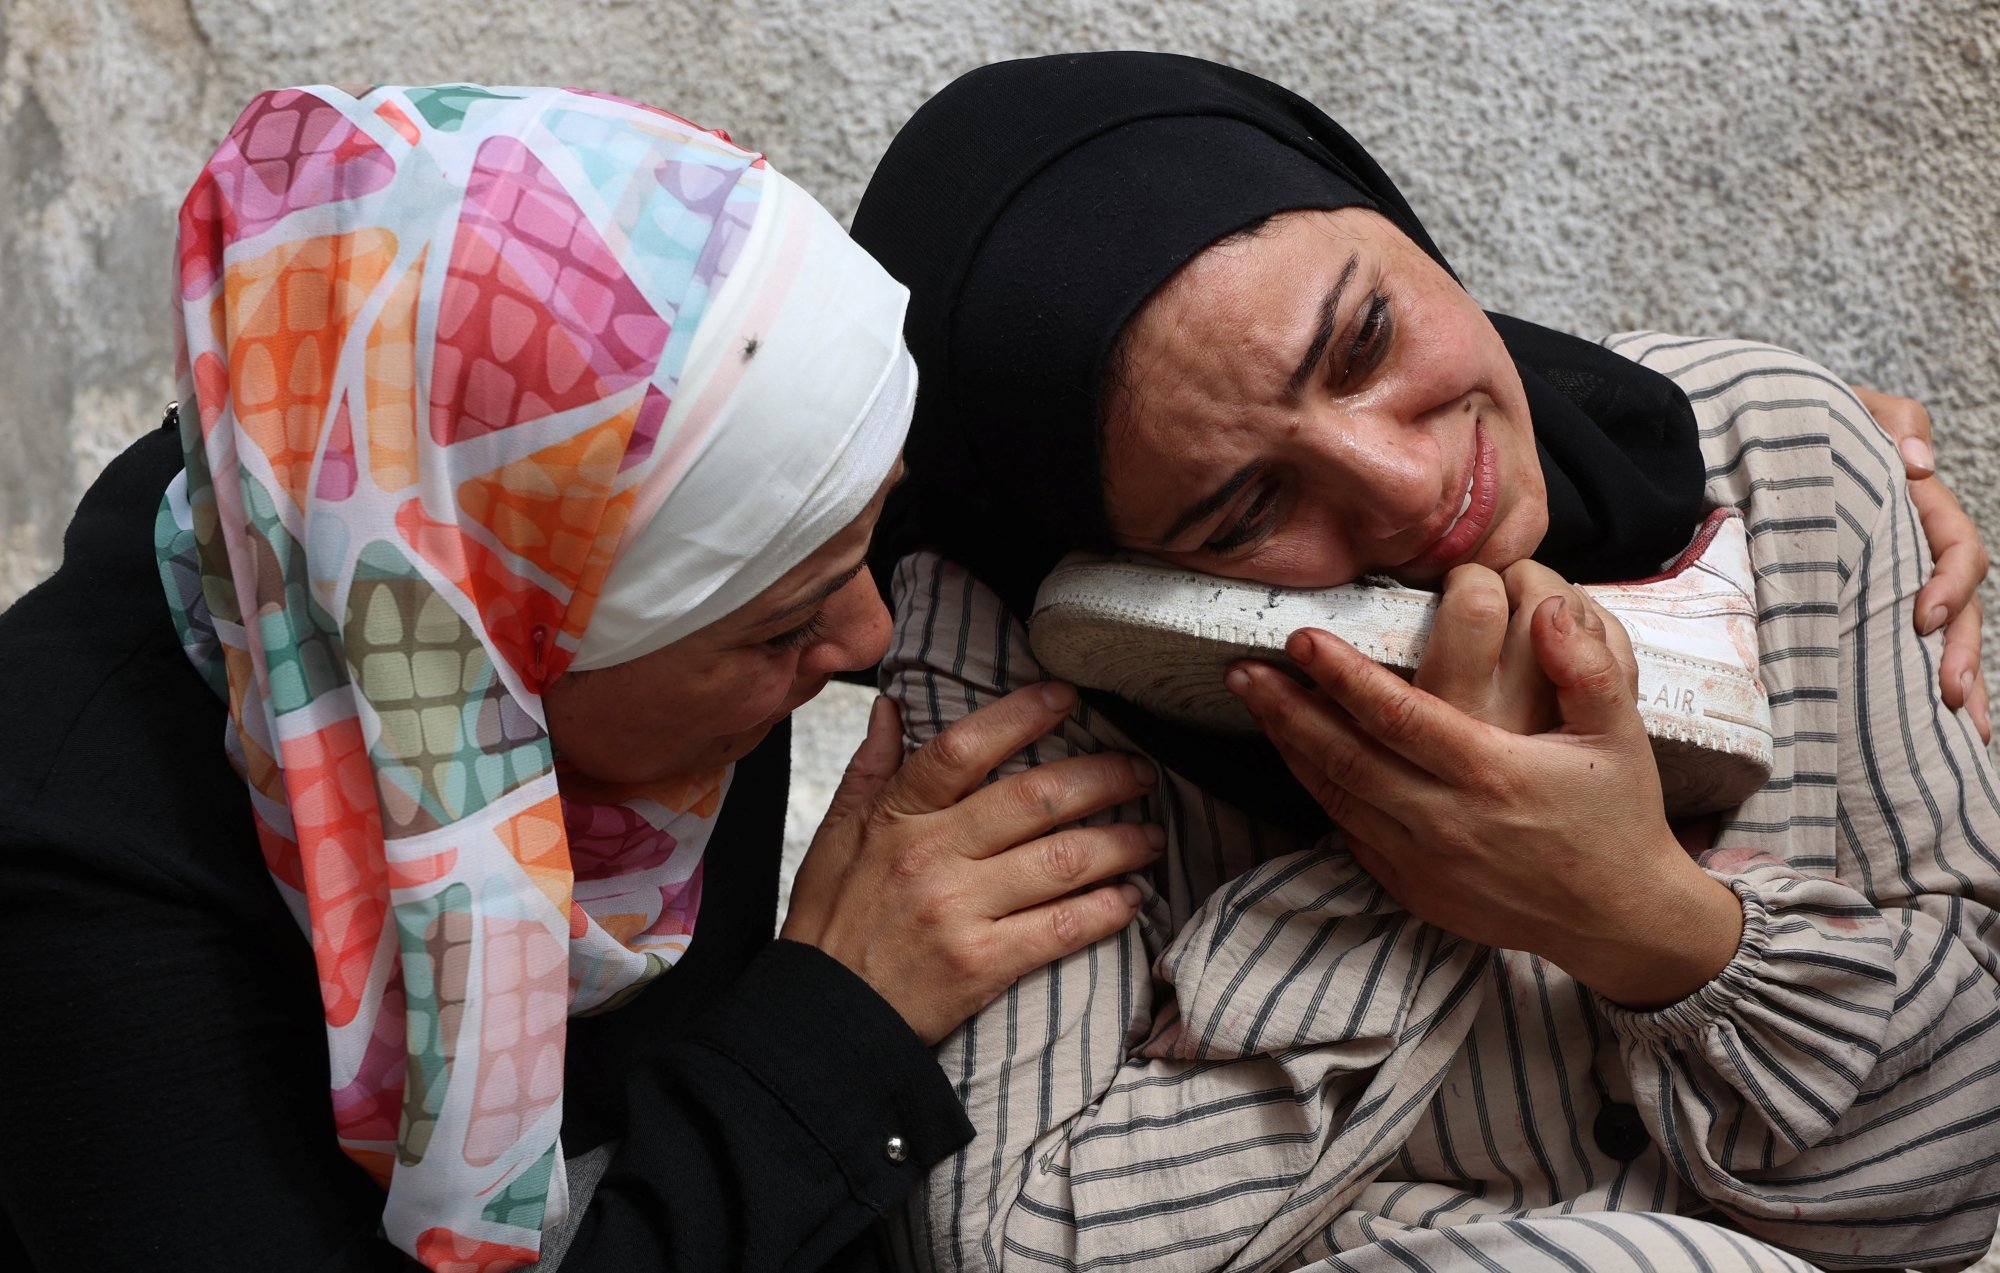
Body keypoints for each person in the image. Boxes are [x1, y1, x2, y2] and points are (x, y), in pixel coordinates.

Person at [848, 52, 2000, 1270]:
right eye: (1241, 512)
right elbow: (1018, 1249)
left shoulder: (1779, 453)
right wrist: (1412, 863)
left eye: (1365, 339)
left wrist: (1650, 923)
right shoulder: (1016, 649)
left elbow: (1951, 1181)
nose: (1405, 488)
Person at [0, 85, 1166, 1272]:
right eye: (780, 629)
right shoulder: (79, 896)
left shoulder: (522, 519)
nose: (864, 638)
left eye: (862, 540)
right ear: (484, 658)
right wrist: (834, 1027)